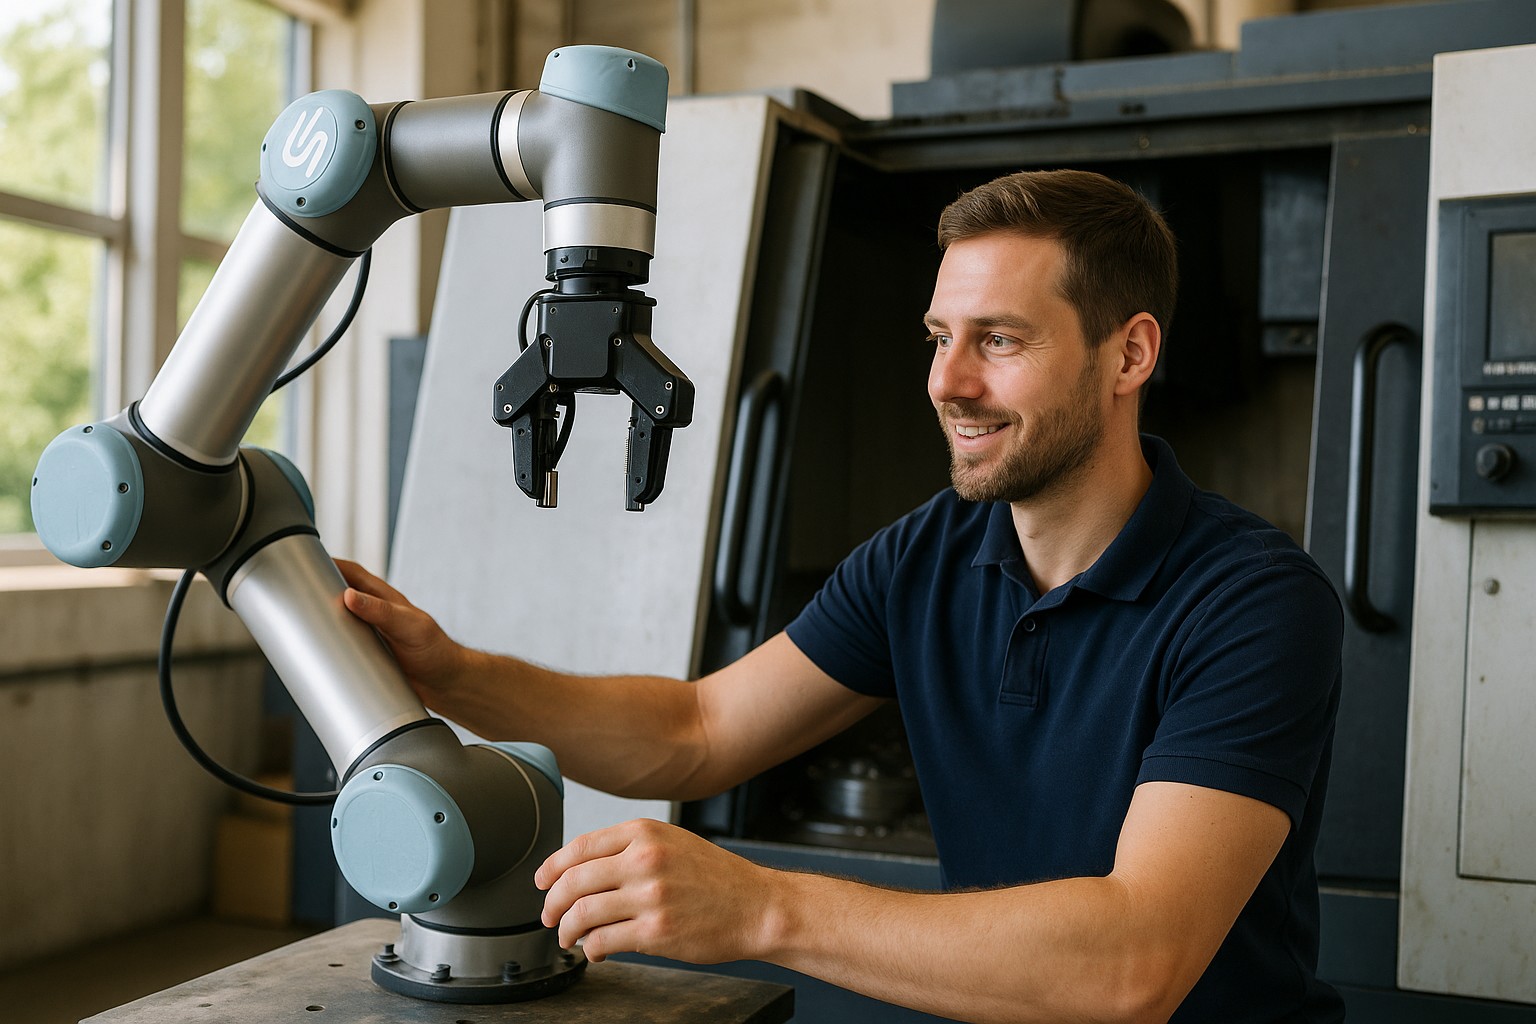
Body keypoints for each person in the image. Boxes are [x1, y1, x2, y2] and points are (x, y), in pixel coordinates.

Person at [339, 168, 1344, 1023]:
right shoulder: (927, 556)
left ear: (1128, 354)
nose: (947, 382)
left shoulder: (1253, 602)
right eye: (937, 335)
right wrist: (453, 673)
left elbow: (1137, 961)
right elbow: (696, 729)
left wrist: (762, 909)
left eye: (998, 340)